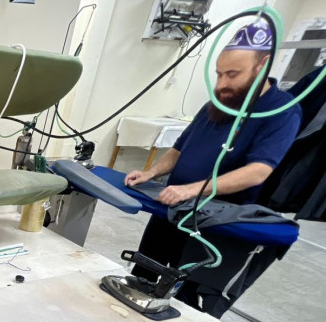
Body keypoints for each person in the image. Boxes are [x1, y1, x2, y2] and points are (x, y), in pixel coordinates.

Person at [123, 20, 302, 293]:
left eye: (232, 74)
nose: (222, 84)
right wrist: (152, 172)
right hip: (171, 209)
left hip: (213, 223)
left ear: (262, 65)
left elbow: (258, 171)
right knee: (143, 276)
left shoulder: (282, 112)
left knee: (184, 293)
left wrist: (191, 190)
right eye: (219, 74)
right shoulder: (218, 104)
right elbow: (179, 149)